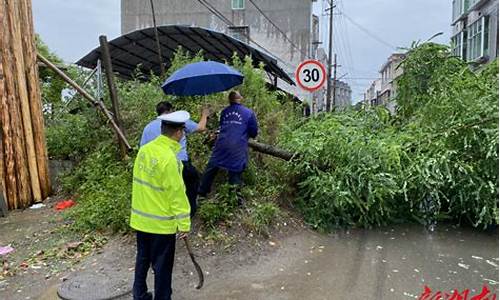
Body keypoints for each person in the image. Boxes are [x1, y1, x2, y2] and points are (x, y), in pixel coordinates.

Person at [130, 110, 191, 300]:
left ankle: (139, 295)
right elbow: (177, 195)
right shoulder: (169, 159)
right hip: (161, 225)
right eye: (183, 131)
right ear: (178, 133)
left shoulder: (145, 150)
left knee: (142, 260)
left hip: (141, 221)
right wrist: (184, 224)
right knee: (162, 267)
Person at [140, 101, 209, 217]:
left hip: (155, 166)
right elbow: (201, 128)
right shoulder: (177, 121)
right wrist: (204, 114)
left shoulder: (148, 128)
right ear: (171, 111)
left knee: (164, 190)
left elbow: (143, 149)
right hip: (179, 163)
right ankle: (189, 212)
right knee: (192, 182)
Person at [198, 91, 258, 203]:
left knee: (212, 166)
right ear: (240, 99)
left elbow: (223, 126)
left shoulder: (225, 112)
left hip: (222, 144)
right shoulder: (249, 113)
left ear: (229, 100)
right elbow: (254, 132)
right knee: (235, 169)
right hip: (237, 146)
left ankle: (201, 192)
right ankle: (234, 197)